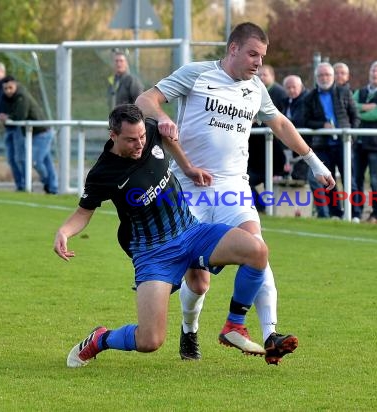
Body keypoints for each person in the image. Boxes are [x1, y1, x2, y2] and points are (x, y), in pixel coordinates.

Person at [135, 22, 335, 365]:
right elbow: (145, 100)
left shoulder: (256, 88)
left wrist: (314, 162)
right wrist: (163, 117)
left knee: (257, 249)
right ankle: (190, 327)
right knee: (198, 284)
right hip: (190, 189)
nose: (258, 62)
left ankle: (269, 333)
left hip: (233, 187)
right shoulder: (196, 74)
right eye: (253, 54)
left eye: (263, 56)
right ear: (233, 49)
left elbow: (282, 125)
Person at [54, 104, 270, 368]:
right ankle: (100, 339)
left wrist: (188, 167)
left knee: (256, 251)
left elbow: (165, 134)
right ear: (113, 135)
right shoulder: (102, 174)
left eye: (142, 136)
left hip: (191, 232)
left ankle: (234, 325)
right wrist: (64, 232)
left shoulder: (152, 132)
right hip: (154, 253)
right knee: (150, 341)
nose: (139, 143)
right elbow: (83, 213)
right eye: (131, 139)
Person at [303, 62, 360, 219]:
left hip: (343, 144)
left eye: (327, 75)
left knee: (349, 179)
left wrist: (351, 138)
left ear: (333, 76)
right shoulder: (310, 97)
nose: (324, 78)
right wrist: (322, 125)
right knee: (328, 181)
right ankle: (335, 213)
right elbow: (305, 121)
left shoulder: (344, 92)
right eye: (321, 75)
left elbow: (355, 116)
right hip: (322, 146)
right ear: (316, 78)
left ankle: (355, 214)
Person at [0, 76, 58, 194]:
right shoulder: (7, 98)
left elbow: (20, 116)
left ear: (16, 85)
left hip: (42, 133)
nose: (8, 91)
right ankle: (52, 188)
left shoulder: (22, 96)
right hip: (33, 133)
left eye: (10, 87)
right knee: (45, 162)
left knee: (35, 161)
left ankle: (47, 182)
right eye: (5, 88)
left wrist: (7, 117)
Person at [352, 61, 377, 224]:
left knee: (375, 180)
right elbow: (351, 107)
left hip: (376, 144)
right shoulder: (360, 92)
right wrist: (366, 107)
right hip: (358, 143)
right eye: (373, 70)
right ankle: (357, 212)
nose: (375, 74)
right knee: (357, 179)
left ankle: (376, 214)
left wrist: (360, 112)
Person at [248, 64, 288, 212]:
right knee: (246, 180)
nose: (261, 77)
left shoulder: (279, 93)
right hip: (254, 150)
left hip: (274, 149)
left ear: (273, 76)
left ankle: (270, 209)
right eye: (259, 75)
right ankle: (262, 207)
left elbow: (279, 120)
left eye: (265, 74)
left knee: (269, 180)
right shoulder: (250, 90)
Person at [0, 62, 25, 191]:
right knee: (11, 158)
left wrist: (8, 117)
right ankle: (20, 185)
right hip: (8, 128)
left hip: (18, 126)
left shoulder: (10, 86)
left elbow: (18, 106)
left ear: (3, 73)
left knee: (20, 158)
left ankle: (25, 185)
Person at [282, 75, 309, 181]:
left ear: (301, 86)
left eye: (294, 87)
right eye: (288, 88)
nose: (291, 90)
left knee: (300, 178)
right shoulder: (286, 101)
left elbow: (299, 121)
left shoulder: (306, 99)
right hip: (290, 142)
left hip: (304, 142)